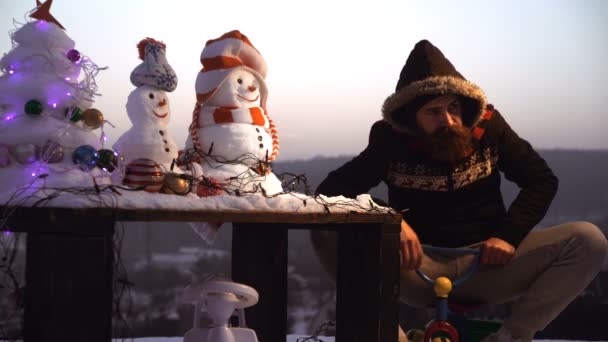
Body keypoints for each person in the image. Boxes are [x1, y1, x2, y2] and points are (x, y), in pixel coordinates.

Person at [311, 40, 608, 342]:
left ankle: (509, 338)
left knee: (588, 240)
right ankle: (389, 336)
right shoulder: (390, 140)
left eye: (453, 107)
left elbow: (541, 180)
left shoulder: (488, 129)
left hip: (486, 264)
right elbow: (330, 193)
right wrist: (390, 219)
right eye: (433, 112)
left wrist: (508, 235)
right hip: (416, 265)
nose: (449, 121)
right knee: (326, 231)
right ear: (410, 120)